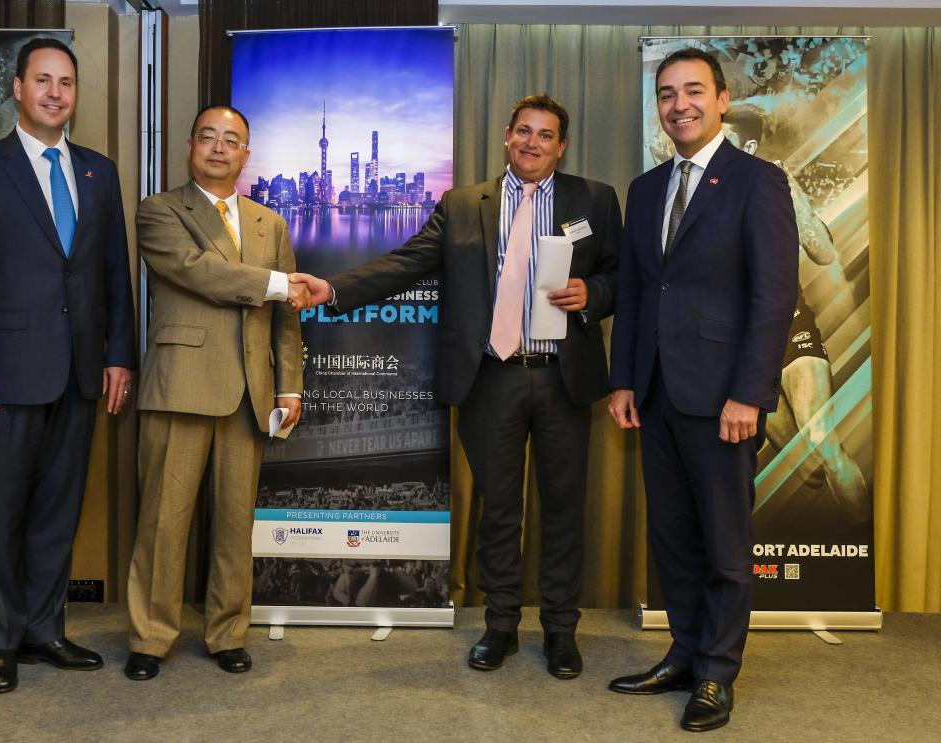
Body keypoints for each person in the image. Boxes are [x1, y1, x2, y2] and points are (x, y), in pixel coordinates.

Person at [291, 95, 621, 677]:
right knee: (499, 511)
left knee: (564, 510)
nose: (533, 143)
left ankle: (562, 631)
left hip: (561, 379)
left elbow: (621, 276)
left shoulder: (592, 199)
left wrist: (594, 295)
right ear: (506, 134)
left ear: (561, 146)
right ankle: (500, 628)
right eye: (524, 131)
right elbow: (407, 261)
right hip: (490, 379)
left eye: (546, 135)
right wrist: (333, 290)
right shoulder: (464, 204)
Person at [607, 48, 798, 732]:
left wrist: (750, 392)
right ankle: (684, 651)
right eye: (666, 93)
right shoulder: (646, 187)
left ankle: (717, 671)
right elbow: (634, 292)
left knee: (724, 543)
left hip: (724, 399)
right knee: (674, 538)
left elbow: (774, 296)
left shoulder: (758, 180)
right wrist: (625, 378)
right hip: (655, 394)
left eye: (693, 91)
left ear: (721, 99)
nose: (679, 104)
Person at [0, 38, 136, 694]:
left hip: (81, 371)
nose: (56, 92)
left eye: (67, 82)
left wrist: (117, 356)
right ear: (18, 89)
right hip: (5, 374)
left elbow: (112, 275)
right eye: (43, 80)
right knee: (2, 513)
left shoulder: (97, 173)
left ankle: (43, 629)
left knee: (58, 509)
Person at [124, 105, 306, 680]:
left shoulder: (268, 223)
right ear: (190, 145)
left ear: (247, 154)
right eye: (210, 137)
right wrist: (279, 282)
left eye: (233, 140)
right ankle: (150, 638)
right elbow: (196, 271)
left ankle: (228, 632)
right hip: (182, 384)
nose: (220, 148)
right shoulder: (160, 211)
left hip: (251, 393)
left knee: (234, 523)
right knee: (163, 521)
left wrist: (290, 387)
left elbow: (286, 320)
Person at [721, 105, 869, 521]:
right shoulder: (699, 192)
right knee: (807, 463)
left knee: (821, 436)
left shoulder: (775, 183)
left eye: (724, 139)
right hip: (740, 345)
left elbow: (823, 254)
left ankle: (862, 547)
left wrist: (793, 200)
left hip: (790, 328)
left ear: (749, 146)